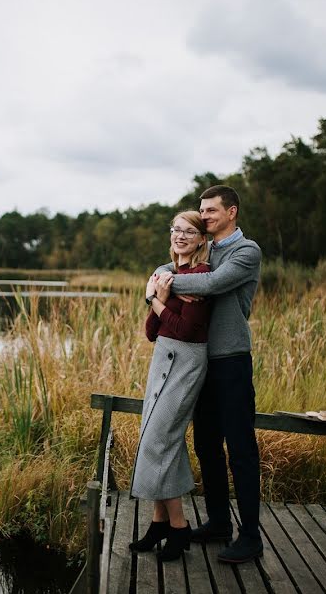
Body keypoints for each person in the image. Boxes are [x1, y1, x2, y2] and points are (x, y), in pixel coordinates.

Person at [153, 184, 263, 564]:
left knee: (241, 450)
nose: (205, 216)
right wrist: (159, 278)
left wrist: (165, 287)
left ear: (231, 212)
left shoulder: (246, 251)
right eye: (202, 210)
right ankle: (219, 523)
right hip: (199, 362)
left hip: (231, 360)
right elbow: (171, 264)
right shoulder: (207, 248)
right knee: (206, 446)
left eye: (212, 210)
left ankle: (251, 537)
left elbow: (212, 283)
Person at [128, 210, 212, 562]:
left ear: (200, 240)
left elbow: (185, 330)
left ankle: (178, 528)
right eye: (176, 229)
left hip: (186, 362)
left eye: (189, 231)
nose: (180, 236)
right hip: (162, 360)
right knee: (164, 443)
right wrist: (158, 298)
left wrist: (157, 299)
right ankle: (159, 522)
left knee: (158, 442)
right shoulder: (169, 274)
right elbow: (152, 332)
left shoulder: (201, 276)